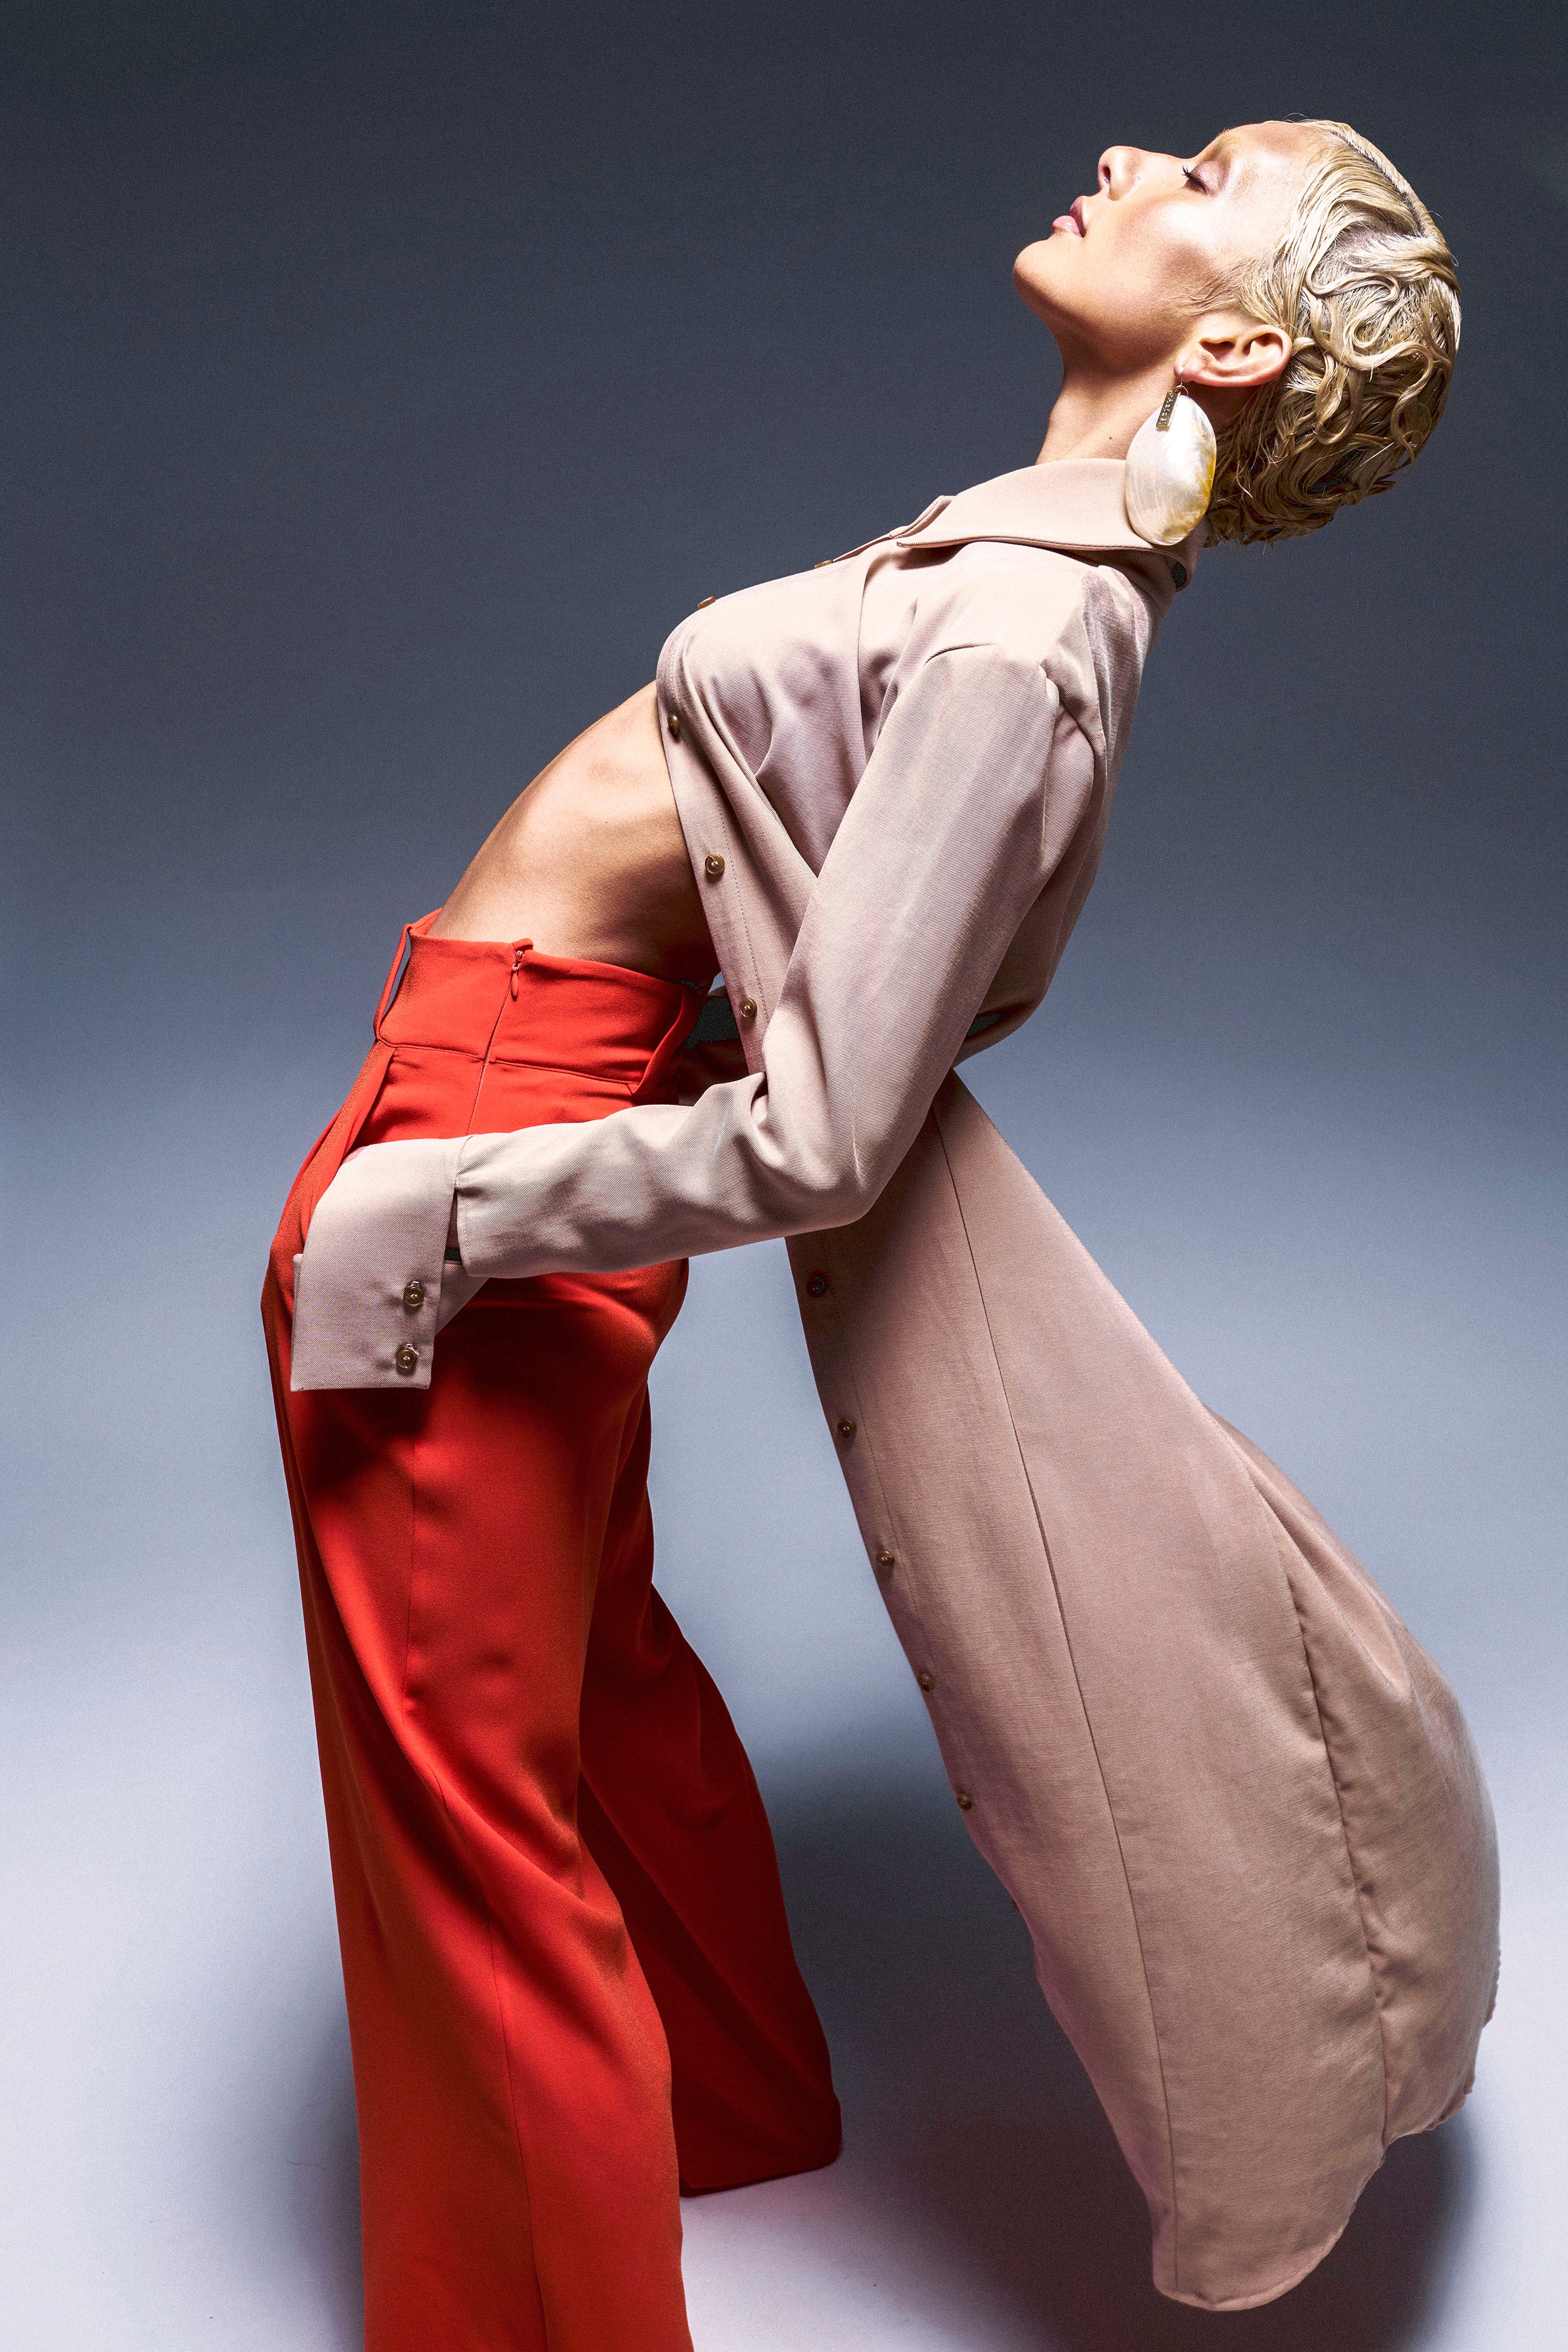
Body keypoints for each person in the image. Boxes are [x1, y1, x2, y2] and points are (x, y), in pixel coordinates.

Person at [263, 119, 1497, 2350]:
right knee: (580, 1672)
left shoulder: (1026, 634)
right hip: (540, 1079)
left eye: (1204, 168)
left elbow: (830, 1128)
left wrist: (417, 1212)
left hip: (504, 1138)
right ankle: (722, 2104)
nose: (1127, 155)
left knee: (459, 1819)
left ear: (1228, 337)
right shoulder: (1032, 566)